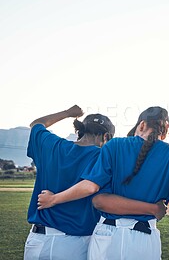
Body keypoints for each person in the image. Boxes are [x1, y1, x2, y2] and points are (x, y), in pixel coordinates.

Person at [37, 106, 169, 260]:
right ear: (165, 131)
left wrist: (55, 198)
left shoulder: (115, 146)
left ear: (142, 124)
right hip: (144, 237)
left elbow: (95, 195)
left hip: (106, 236)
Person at [24, 105, 115, 260]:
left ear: (80, 130)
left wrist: (68, 113)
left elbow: (36, 125)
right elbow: (91, 188)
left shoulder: (52, 145)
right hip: (73, 244)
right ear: (105, 137)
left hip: (37, 241)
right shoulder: (102, 157)